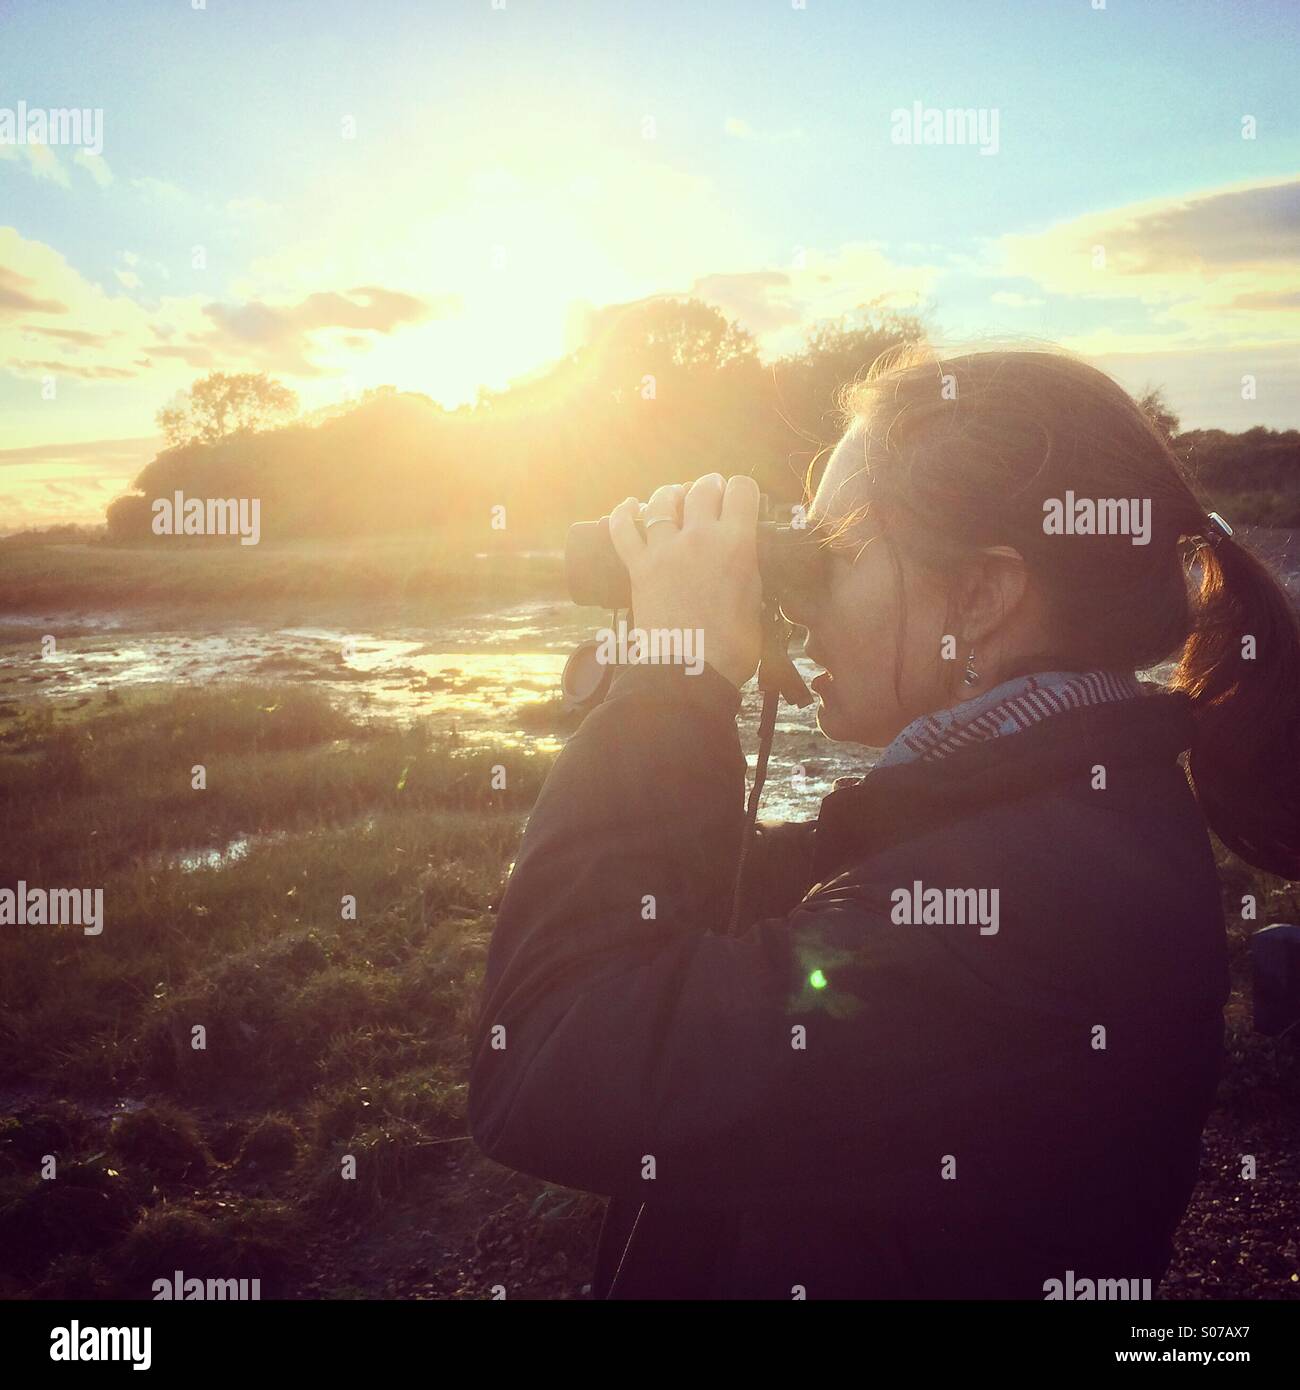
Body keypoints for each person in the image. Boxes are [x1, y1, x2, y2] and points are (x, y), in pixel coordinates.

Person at [468, 347, 1300, 1299]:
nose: (795, 591)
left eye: (833, 554)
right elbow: (698, 933)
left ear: (982, 598)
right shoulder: (1067, 808)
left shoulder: (1011, 910)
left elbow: (547, 1052)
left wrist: (673, 687)